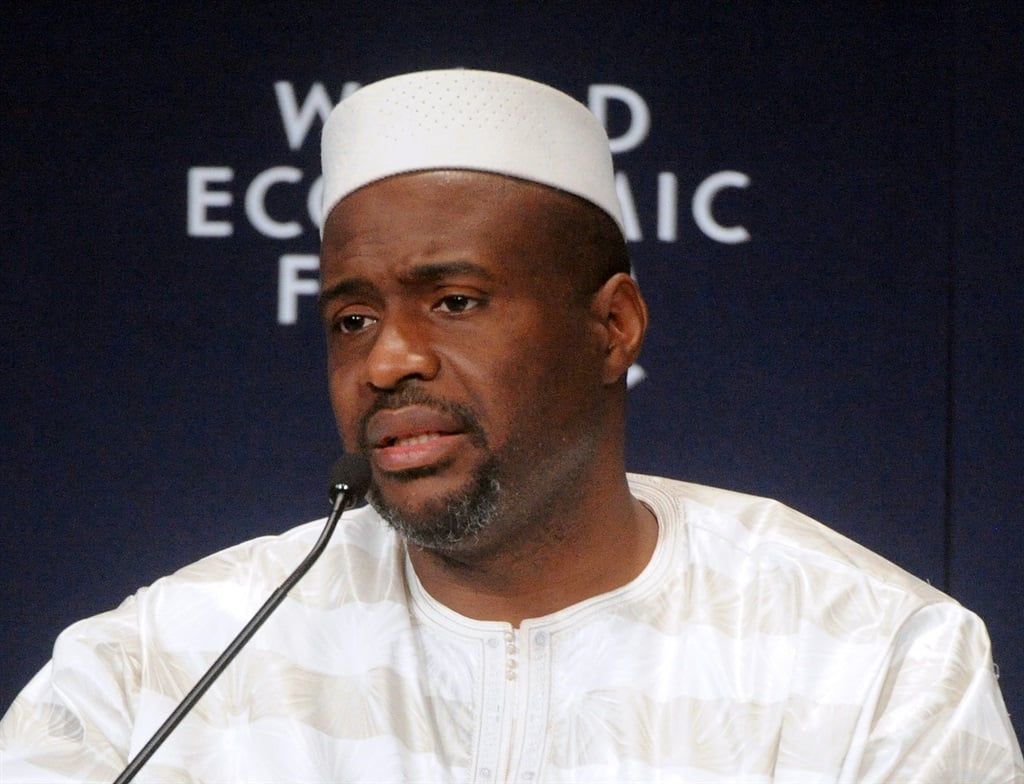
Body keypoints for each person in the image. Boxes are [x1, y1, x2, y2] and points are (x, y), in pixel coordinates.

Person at [1, 69, 1021, 783]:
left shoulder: (874, 657)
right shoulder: (164, 660)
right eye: (352, 318)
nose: (386, 358)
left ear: (611, 325)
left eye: (453, 301)